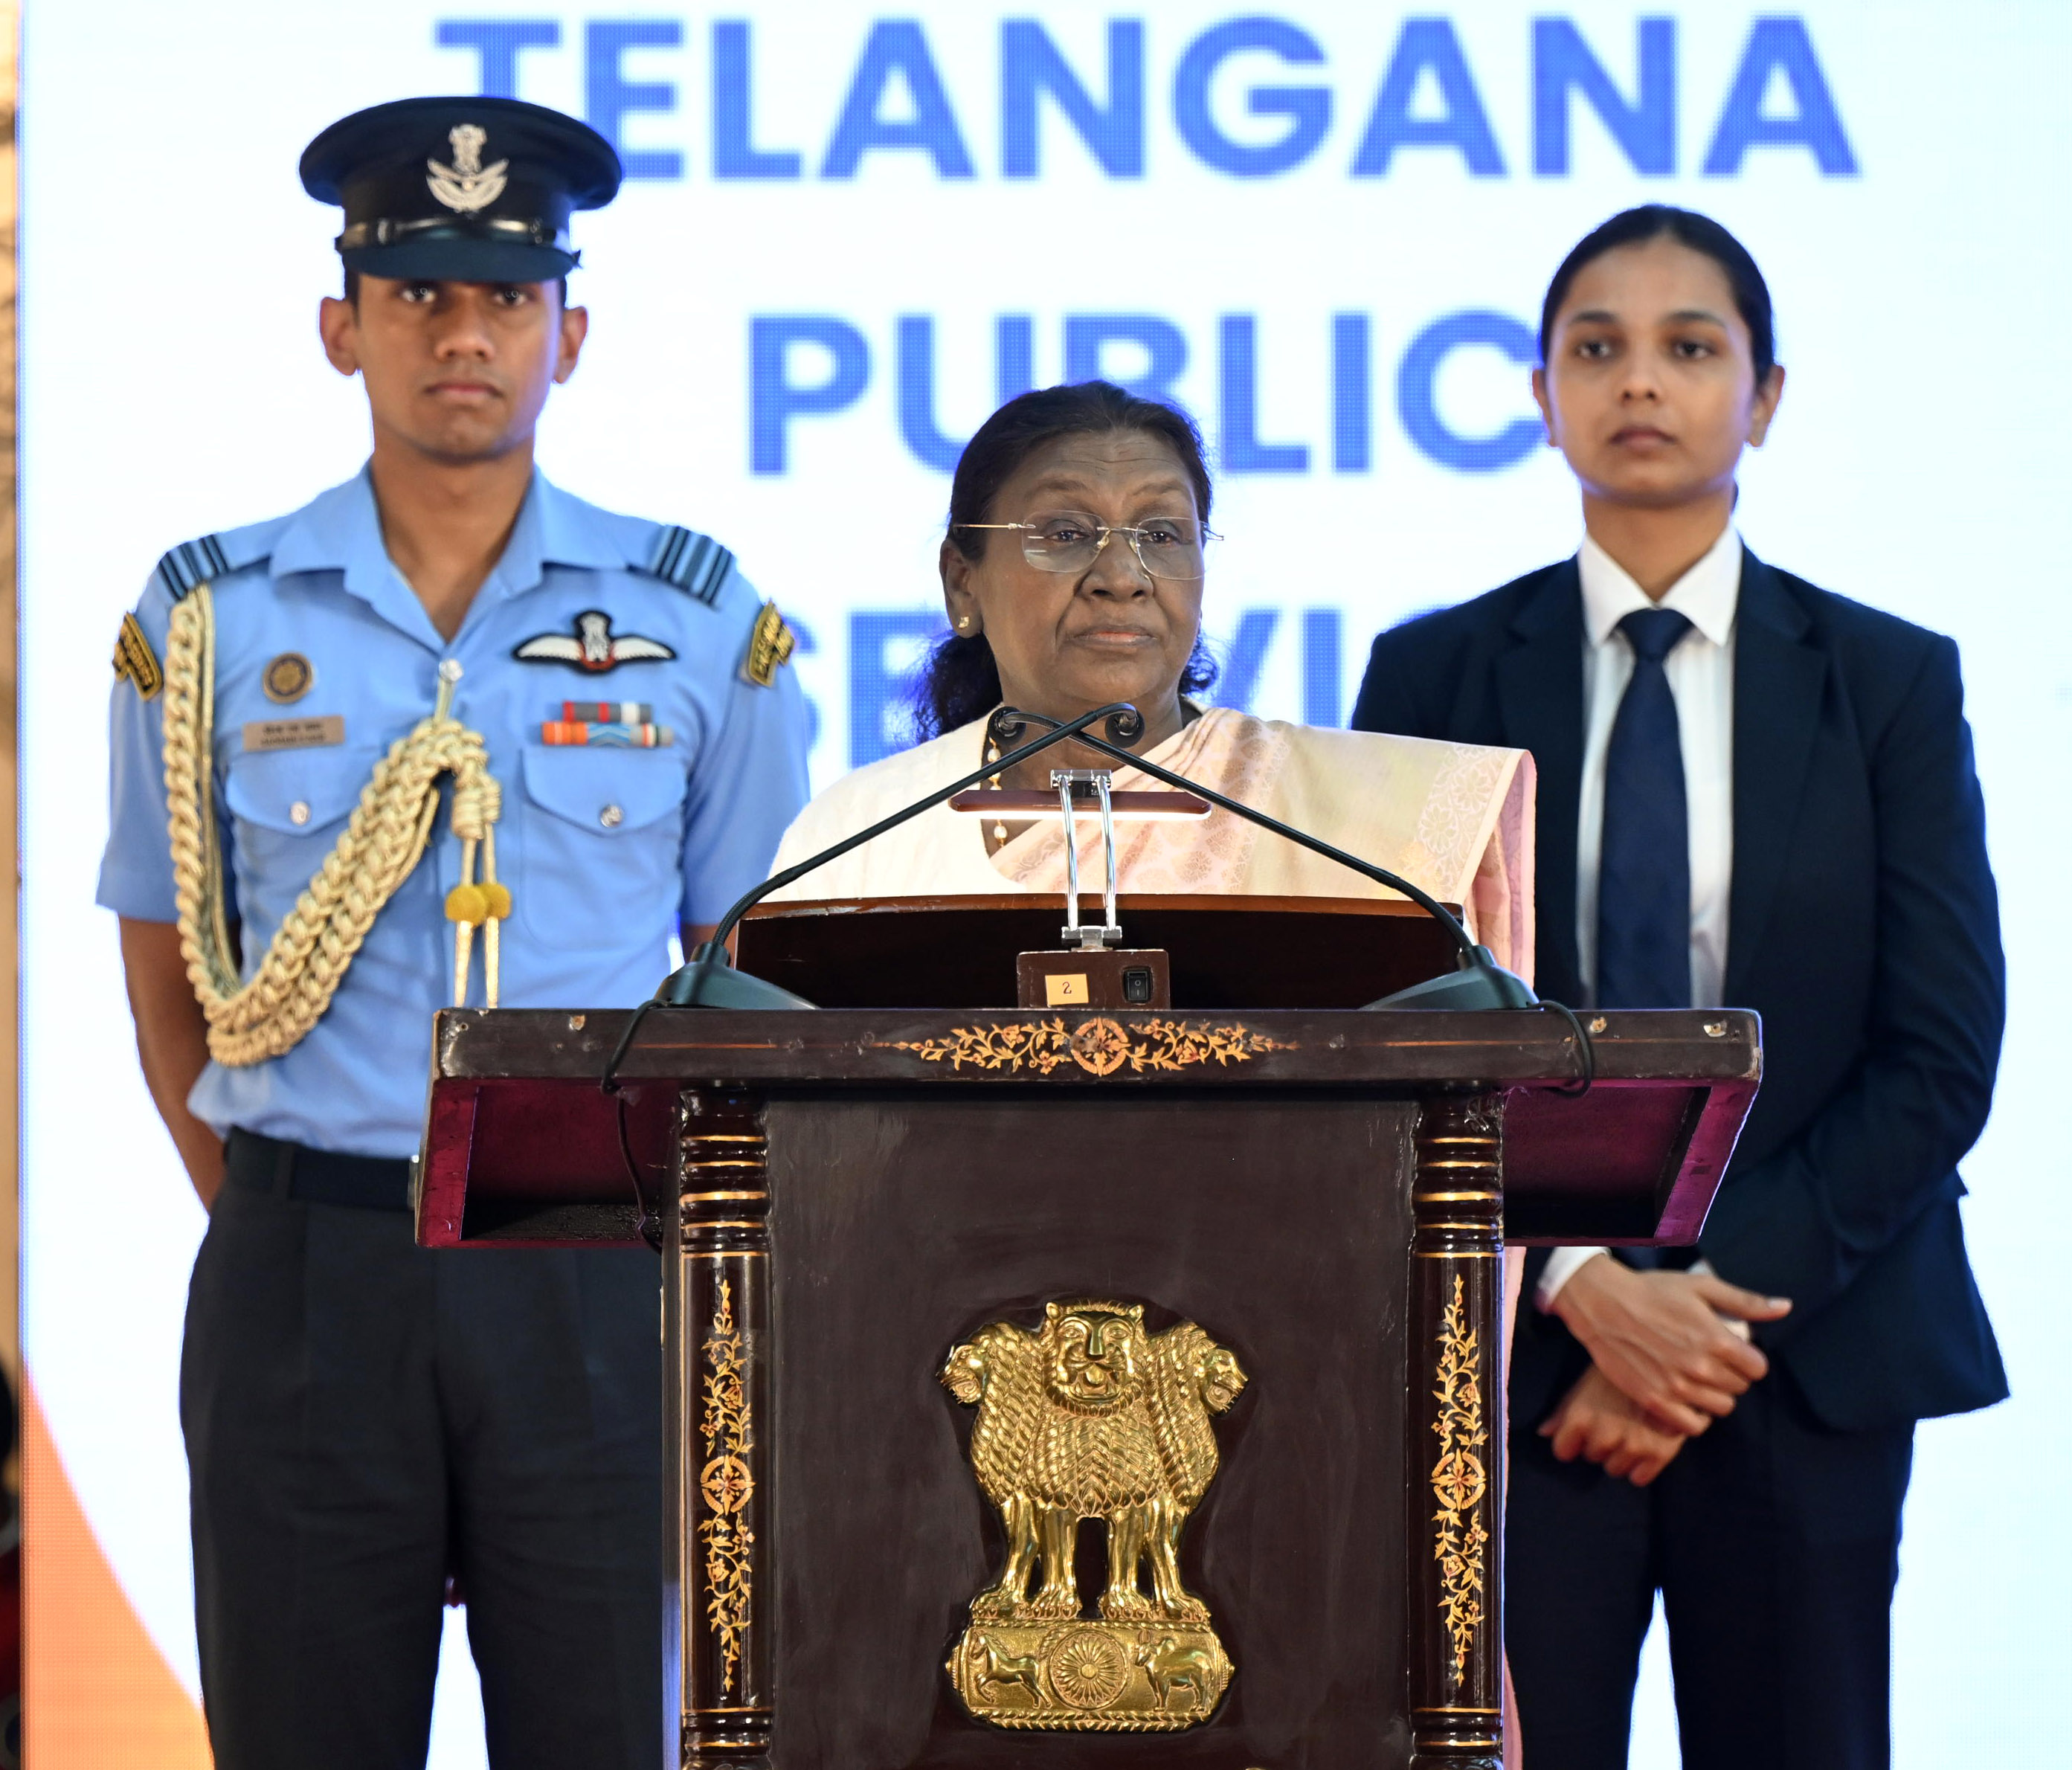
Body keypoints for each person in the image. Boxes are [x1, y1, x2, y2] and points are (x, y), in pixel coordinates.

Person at [99, 97, 810, 1770]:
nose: (462, 336)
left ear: (571, 330)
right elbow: (166, 967)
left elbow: (739, 969)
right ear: (341, 325)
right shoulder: (201, 618)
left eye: (501, 299)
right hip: (304, 1270)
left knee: (599, 1738)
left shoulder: (700, 623)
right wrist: (307, 1213)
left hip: (585, 1269)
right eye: (417, 295)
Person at [1351, 205, 2006, 1769]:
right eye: (1597, 347)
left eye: (1688, 346)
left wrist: (1697, 1318)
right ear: (1539, 393)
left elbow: (1937, 1051)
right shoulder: (1431, 677)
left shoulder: (1885, 680)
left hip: (1804, 1347)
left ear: (1763, 397)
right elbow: (1401, 1031)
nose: (1639, 381)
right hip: (1520, 1365)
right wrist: (1585, 1288)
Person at [770, 380, 1532, 956]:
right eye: (1065, 531)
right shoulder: (859, 836)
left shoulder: (1353, 822)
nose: (1122, 574)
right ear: (962, 582)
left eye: (1161, 533)